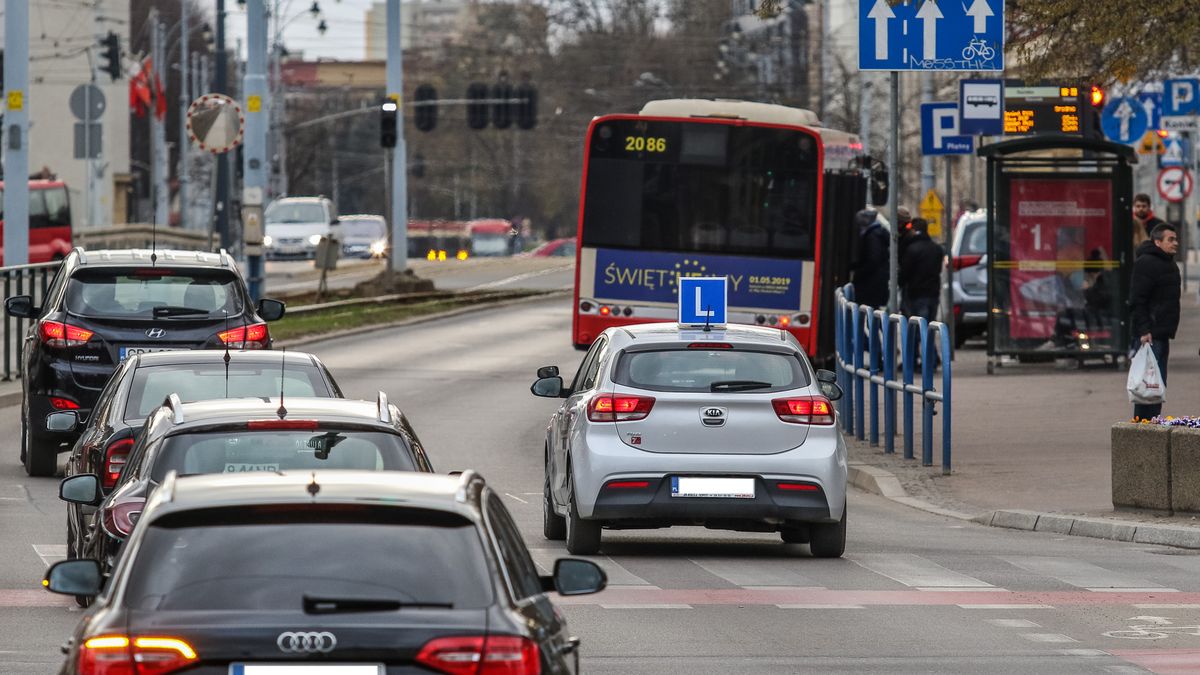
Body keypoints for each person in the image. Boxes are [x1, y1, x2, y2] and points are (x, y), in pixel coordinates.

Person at [1129, 223, 1181, 420]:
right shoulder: (1147, 263)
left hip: (1161, 333)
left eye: (1176, 239)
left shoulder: (1167, 262)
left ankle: (1151, 425)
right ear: (1157, 242)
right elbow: (1137, 299)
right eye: (1171, 239)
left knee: (1156, 385)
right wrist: (1144, 330)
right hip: (1149, 335)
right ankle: (1143, 428)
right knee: (1146, 386)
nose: (1175, 243)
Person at [898, 217, 945, 321]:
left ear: (914, 230)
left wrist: (900, 283)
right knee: (929, 328)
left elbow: (905, 272)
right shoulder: (936, 248)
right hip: (933, 293)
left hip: (917, 294)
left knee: (919, 328)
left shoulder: (912, 249)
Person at [851, 209, 889, 308]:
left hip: (870, 285)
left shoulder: (872, 236)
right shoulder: (877, 234)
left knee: (869, 312)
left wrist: (859, 272)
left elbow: (873, 260)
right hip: (876, 283)